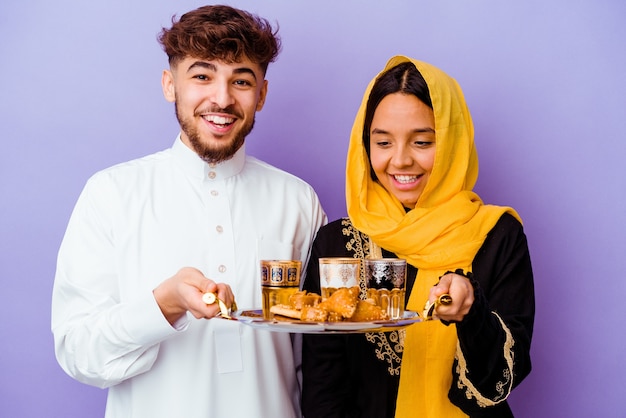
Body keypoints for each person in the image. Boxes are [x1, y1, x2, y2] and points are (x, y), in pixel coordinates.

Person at [51, 5, 326, 418]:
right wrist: (163, 305)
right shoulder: (111, 194)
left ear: (262, 94)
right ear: (169, 84)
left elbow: (320, 359)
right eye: (202, 76)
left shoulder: (298, 201)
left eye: (241, 80)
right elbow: (78, 352)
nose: (222, 98)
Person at [301, 56, 535, 418]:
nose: (400, 160)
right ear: (365, 147)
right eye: (383, 143)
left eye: (422, 142)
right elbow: (324, 389)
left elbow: (499, 383)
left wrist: (471, 315)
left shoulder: (497, 235)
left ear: (453, 143)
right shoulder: (337, 246)